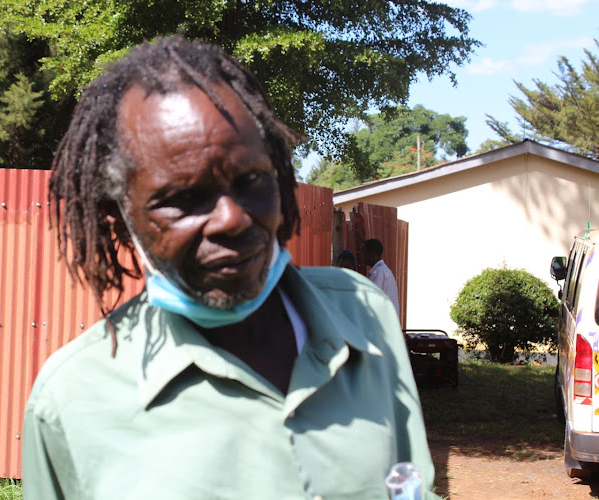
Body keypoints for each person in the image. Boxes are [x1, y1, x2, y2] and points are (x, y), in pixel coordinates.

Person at [22, 35, 436, 499]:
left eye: (251, 181)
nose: (233, 219)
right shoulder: (71, 401)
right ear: (120, 221)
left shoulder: (364, 314)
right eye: (182, 199)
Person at [361, 238, 401, 317]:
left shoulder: (379, 273)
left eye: (364, 252)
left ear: (372, 253)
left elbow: (371, 301)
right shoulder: (382, 271)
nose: (362, 256)